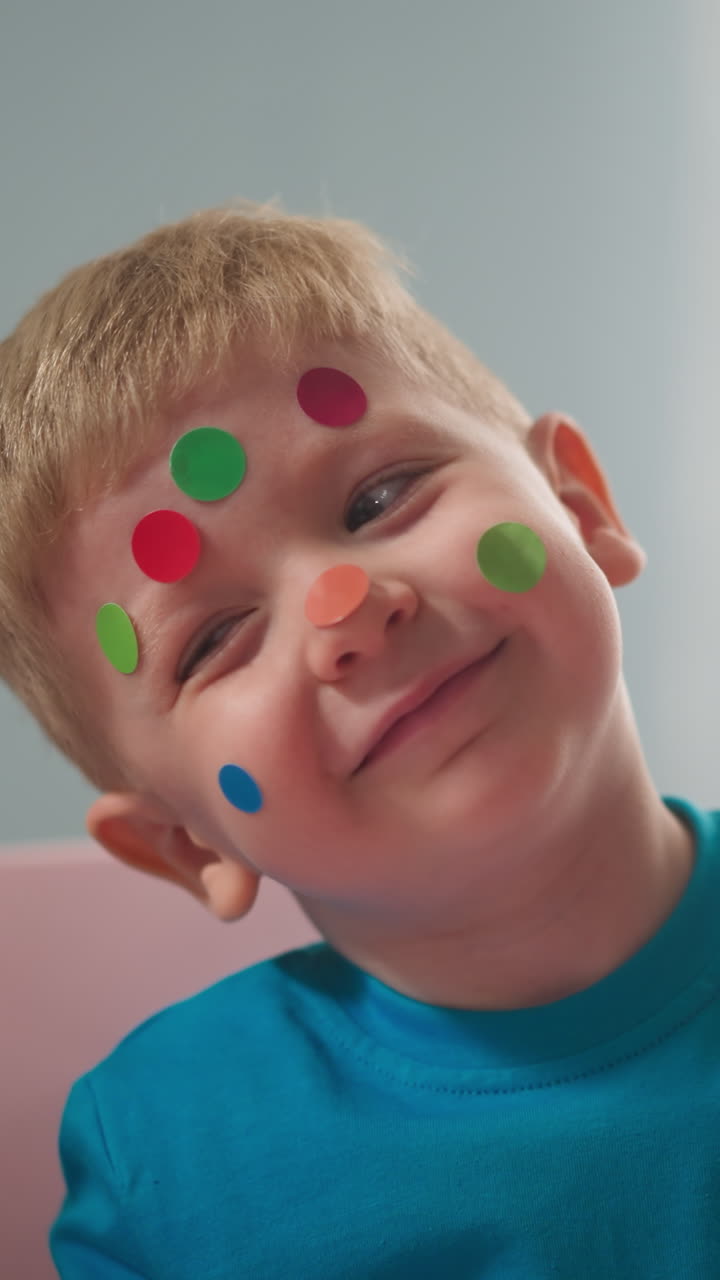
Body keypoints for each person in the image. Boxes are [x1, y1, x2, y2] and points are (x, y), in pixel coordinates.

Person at [0, 205, 715, 1278]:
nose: (345, 606)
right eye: (216, 637)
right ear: (186, 841)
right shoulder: (168, 1157)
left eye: (380, 495)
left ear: (579, 503)